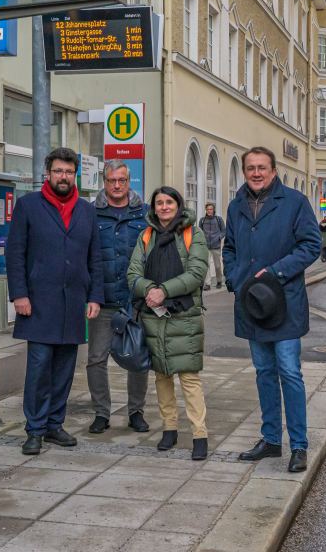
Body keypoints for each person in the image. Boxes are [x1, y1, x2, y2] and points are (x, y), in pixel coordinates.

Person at [223, 146, 321, 473]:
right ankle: (270, 440)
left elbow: (311, 245)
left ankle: (299, 445)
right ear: (244, 171)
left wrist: (276, 273)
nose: (256, 173)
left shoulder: (294, 202)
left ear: (273, 171)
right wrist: (234, 278)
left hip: (285, 303)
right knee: (264, 372)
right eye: (250, 167)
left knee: (289, 372)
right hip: (251, 303)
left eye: (262, 167)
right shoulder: (236, 205)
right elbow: (229, 248)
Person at [6, 147, 103, 455]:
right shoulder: (28, 206)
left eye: (69, 172)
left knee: (64, 369)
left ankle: (54, 425)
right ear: (47, 173)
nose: (64, 177)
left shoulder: (86, 210)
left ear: (75, 175)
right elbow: (15, 253)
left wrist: (95, 296)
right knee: (39, 368)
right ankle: (34, 429)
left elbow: (95, 258)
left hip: (73, 302)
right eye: (59, 171)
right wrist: (19, 294)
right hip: (38, 302)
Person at [127, 186, 210, 461]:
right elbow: (132, 273)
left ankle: (199, 435)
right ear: (154, 207)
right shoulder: (146, 236)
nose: (164, 207)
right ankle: (169, 429)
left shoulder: (193, 234)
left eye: (169, 202)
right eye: (159, 203)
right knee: (162, 375)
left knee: (189, 377)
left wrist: (163, 290)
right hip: (153, 314)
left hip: (184, 315)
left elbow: (197, 273)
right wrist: (150, 290)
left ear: (178, 205)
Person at [86, 160, 150, 435]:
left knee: (137, 358)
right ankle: (101, 413)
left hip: (135, 301)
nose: (116, 185)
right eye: (111, 180)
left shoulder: (144, 213)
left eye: (121, 180)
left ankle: (136, 412)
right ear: (104, 181)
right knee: (96, 359)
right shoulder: (91, 213)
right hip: (103, 300)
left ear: (128, 180)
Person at [198, 203, 226, 290]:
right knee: (207, 265)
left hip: (216, 246)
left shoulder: (218, 219)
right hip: (205, 246)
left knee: (217, 266)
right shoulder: (202, 220)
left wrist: (219, 237)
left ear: (213, 210)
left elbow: (224, 231)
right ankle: (208, 284)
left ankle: (219, 281)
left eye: (211, 209)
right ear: (206, 210)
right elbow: (200, 232)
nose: (209, 211)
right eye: (208, 209)